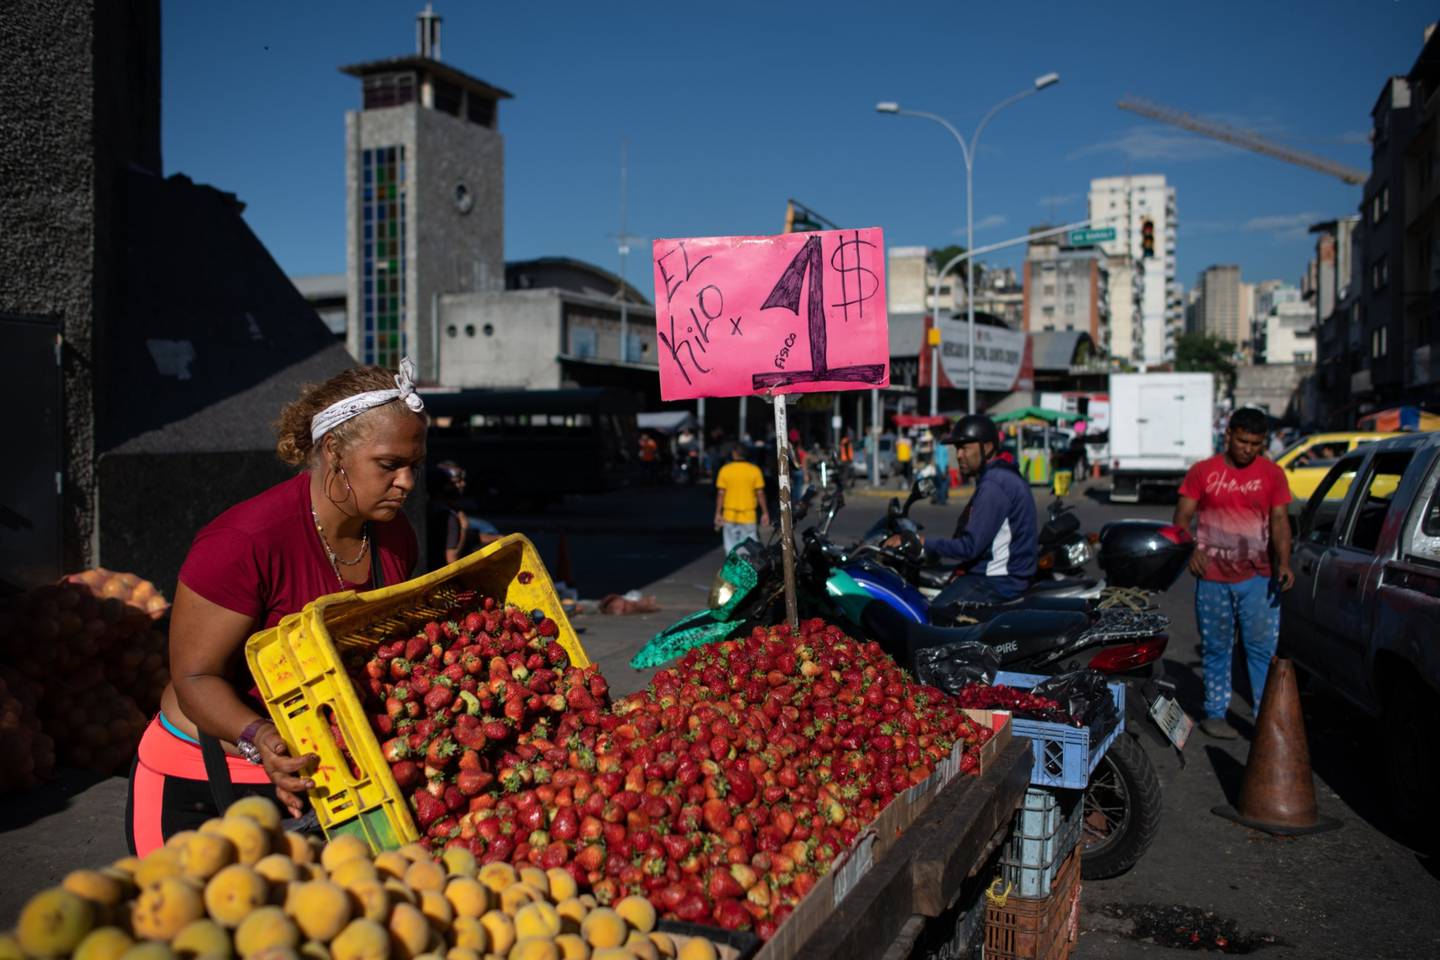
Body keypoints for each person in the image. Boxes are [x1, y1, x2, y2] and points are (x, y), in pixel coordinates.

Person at [125, 362, 426, 854]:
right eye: (389, 465)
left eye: (416, 464)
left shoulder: (393, 535)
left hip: (323, 779)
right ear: (334, 452)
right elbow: (194, 678)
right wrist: (260, 736)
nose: (407, 482)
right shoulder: (244, 542)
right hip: (203, 783)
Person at [1173, 407, 1294, 740]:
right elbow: (1181, 518)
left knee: (1261, 651)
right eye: (1243, 441)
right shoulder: (1202, 472)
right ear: (1228, 435)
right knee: (1216, 647)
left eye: (1256, 443)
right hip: (1213, 578)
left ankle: (1264, 717)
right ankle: (1215, 712)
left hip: (1259, 579)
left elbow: (1281, 521)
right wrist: (1193, 548)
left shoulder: (1272, 474)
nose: (1248, 449)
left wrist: (1284, 562)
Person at [889, 415, 1038, 603]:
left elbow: (968, 548)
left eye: (965, 448)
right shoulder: (1001, 474)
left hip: (1000, 581)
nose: (959, 455)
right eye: (957, 449)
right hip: (1005, 575)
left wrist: (921, 541)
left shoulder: (994, 484)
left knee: (933, 616)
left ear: (988, 447)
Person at [714, 444, 769, 555]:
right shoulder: (754, 470)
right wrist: (765, 512)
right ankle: (748, 571)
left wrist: (718, 513)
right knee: (750, 549)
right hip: (749, 515)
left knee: (730, 548)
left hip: (729, 514)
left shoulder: (725, 470)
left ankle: (734, 571)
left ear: (734, 454)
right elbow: (760, 493)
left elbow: (721, 493)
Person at [931, 429, 951, 505]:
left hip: (938, 467)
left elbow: (937, 459)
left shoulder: (938, 446)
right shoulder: (943, 447)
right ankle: (942, 500)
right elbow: (943, 460)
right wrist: (944, 470)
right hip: (942, 468)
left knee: (939, 484)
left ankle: (939, 499)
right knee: (944, 484)